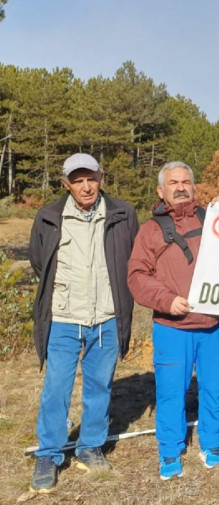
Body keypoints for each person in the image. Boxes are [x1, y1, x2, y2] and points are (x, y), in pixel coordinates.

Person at [27, 153, 138, 492]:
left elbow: (132, 256)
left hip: (106, 317)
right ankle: (49, 453)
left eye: (91, 178)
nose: (86, 186)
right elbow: (37, 261)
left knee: (99, 387)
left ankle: (90, 447)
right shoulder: (49, 216)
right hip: (63, 318)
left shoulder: (123, 214)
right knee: (56, 389)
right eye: (78, 180)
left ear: (101, 178)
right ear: (66, 184)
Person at [128, 161, 219, 480]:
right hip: (172, 326)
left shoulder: (214, 220)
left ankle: (212, 446)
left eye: (186, 181)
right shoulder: (150, 230)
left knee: (214, 388)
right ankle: (171, 452)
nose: (180, 187)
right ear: (161, 191)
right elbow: (136, 276)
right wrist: (167, 301)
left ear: (194, 186)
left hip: (216, 324)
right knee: (171, 391)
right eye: (173, 182)